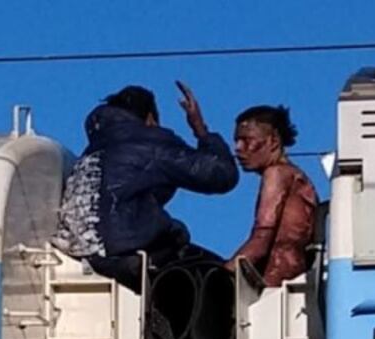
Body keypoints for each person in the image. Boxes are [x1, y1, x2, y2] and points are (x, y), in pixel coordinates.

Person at [53, 82, 238, 291]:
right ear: (150, 118)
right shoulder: (150, 142)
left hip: (80, 251)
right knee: (219, 278)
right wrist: (201, 130)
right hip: (122, 252)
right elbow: (221, 175)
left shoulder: (94, 149)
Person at [227, 105, 317, 287]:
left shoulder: (276, 173)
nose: (238, 148)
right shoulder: (298, 177)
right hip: (297, 279)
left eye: (247, 140)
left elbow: (261, 239)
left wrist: (222, 274)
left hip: (274, 285)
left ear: (273, 141)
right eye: (237, 141)